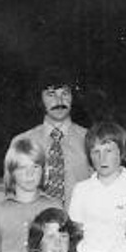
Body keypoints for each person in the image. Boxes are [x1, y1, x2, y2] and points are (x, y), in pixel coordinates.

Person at [68, 121, 126, 252]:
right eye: (96, 152)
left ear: (121, 152)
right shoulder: (81, 189)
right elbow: (76, 231)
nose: (102, 158)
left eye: (109, 151)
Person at [8, 67, 91, 205]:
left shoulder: (90, 139)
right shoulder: (21, 142)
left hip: (78, 223)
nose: (59, 101)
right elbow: (12, 193)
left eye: (65, 93)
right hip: (34, 222)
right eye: (51, 94)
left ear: (73, 97)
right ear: (39, 99)